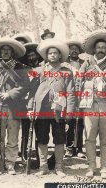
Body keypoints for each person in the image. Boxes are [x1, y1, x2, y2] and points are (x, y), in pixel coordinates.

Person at [78, 29, 106, 179]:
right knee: (90, 136)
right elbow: (79, 82)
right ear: (94, 49)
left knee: (105, 137)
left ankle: (104, 167)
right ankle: (91, 167)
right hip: (89, 104)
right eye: (98, 47)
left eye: (103, 48)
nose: (101, 50)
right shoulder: (86, 64)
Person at [27, 39, 75, 177]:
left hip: (59, 109)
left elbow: (71, 93)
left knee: (59, 138)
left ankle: (59, 167)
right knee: (42, 138)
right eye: (50, 53)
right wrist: (30, 108)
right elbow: (31, 92)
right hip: (41, 109)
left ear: (60, 56)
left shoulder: (67, 72)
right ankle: (43, 166)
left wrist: (69, 113)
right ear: (46, 56)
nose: (53, 55)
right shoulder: (39, 71)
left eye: (55, 53)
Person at [0, 38, 30, 175]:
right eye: (3, 50)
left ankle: (11, 163)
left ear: (12, 52)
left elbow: (25, 86)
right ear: (0, 52)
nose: (5, 52)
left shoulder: (20, 67)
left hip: (14, 106)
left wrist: (9, 94)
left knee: (12, 136)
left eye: (8, 50)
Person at [64, 39, 85, 158]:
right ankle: (69, 147)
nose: (74, 51)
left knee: (80, 122)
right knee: (69, 121)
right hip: (67, 95)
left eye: (76, 49)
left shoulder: (84, 63)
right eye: (72, 48)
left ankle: (80, 148)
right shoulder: (63, 63)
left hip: (81, 95)